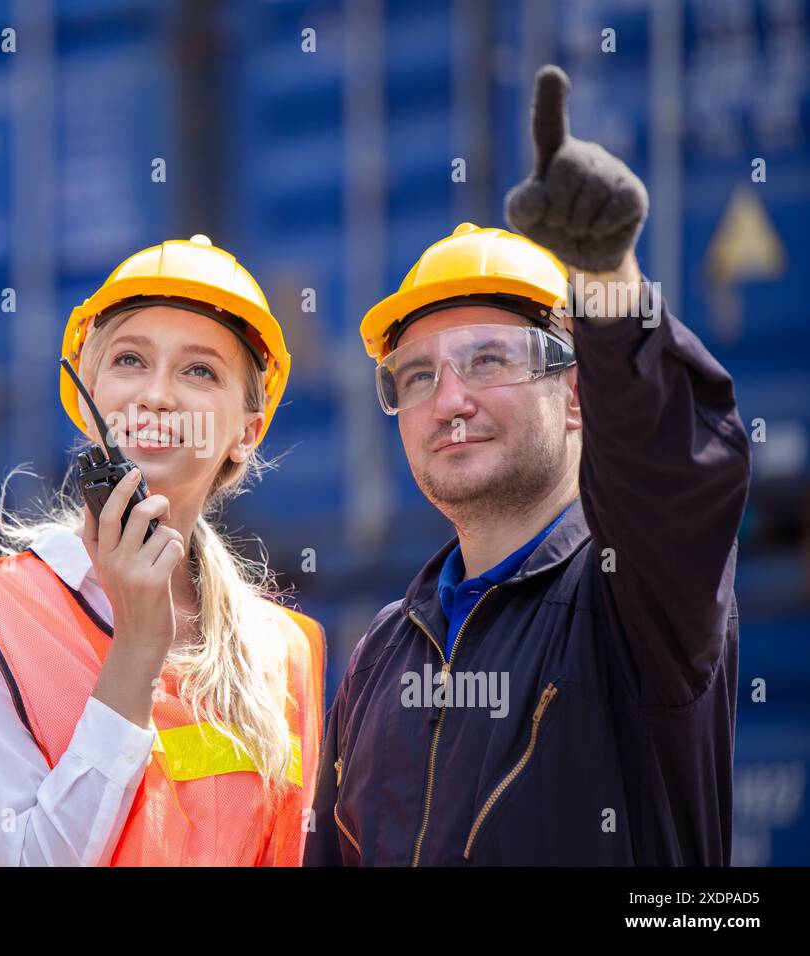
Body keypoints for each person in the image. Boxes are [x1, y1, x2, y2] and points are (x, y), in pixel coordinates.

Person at [305, 65, 751, 865]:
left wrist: (612, 294)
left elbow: (673, 476)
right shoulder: (383, 652)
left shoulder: (637, 595)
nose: (449, 402)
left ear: (577, 393)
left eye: (488, 361)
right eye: (418, 375)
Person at [0, 235, 326, 866]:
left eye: (199, 370)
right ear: (87, 406)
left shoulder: (285, 651)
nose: (157, 395)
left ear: (246, 433)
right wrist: (138, 649)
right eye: (129, 361)